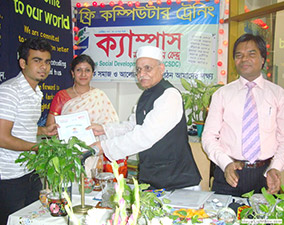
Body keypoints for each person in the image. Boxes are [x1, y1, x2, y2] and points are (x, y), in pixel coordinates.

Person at [89, 46, 201, 191]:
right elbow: (132, 125)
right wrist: (104, 129)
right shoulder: (147, 94)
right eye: (138, 69)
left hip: (178, 182)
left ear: (161, 68)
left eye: (147, 68)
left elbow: (144, 136)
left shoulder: (169, 95)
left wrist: (103, 147)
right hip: (152, 178)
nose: (142, 74)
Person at [0, 37, 58, 225]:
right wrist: (38, 148)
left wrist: (44, 130)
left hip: (29, 167)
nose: (43, 66)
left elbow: (21, 127)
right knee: (11, 220)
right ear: (23, 63)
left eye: (47, 61)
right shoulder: (10, 92)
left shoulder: (35, 92)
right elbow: (3, 139)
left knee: (32, 217)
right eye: (37, 60)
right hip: (9, 173)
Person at [202, 33, 284, 197]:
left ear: (263, 59)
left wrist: (276, 167)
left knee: (263, 222)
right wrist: (226, 164)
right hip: (229, 173)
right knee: (221, 221)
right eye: (239, 55)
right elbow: (208, 137)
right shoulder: (222, 94)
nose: (244, 59)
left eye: (251, 54)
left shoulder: (278, 94)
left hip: (265, 176)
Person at [46, 54, 127, 177]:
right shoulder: (61, 96)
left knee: (91, 186)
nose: (83, 74)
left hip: (94, 152)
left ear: (92, 73)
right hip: (68, 152)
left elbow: (112, 124)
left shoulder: (99, 96)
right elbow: (49, 126)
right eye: (79, 70)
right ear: (72, 73)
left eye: (87, 70)